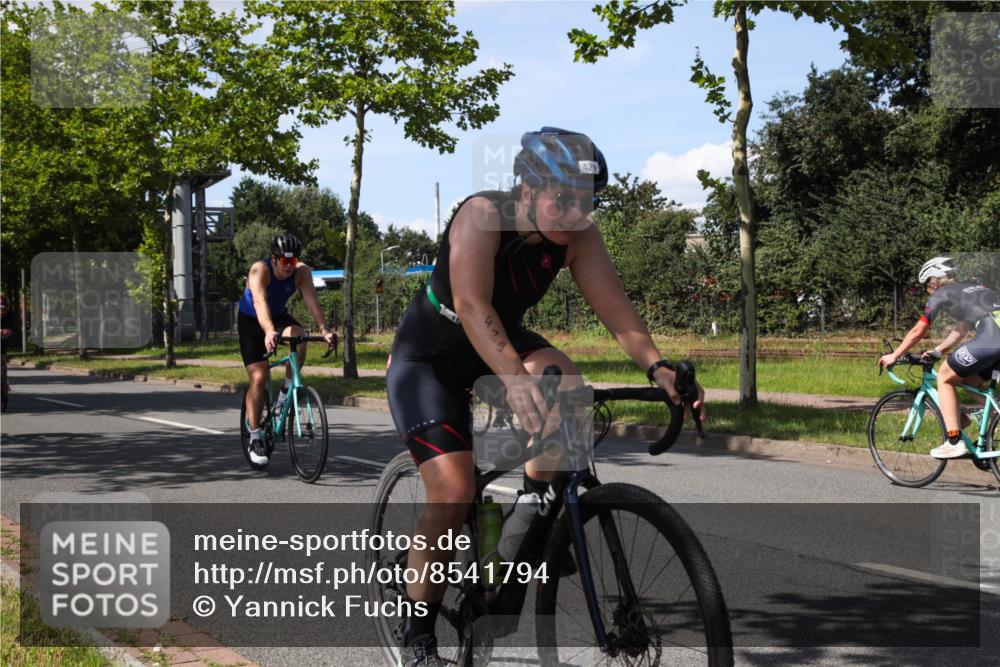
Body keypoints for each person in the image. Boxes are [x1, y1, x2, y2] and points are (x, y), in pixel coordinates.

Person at [385, 127, 706, 666]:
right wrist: (513, 376)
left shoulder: (579, 235)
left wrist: (657, 368)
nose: (576, 212)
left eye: (588, 201)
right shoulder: (483, 214)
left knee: (572, 394)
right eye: (563, 199)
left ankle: (527, 521)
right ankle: (418, 634)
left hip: (500, 339)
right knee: (454, 490)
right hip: (431, 357)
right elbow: (469, 303)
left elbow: (617, 311)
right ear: (526, 189)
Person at [879, 256, 1000, 459]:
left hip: (992, 338)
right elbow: (962, 328)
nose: (927, 291)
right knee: (969, 381)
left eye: (926, 286)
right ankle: (994, 412)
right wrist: (939, 350)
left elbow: (919, 330)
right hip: (995, 337)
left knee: (944, 376)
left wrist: (894, 355)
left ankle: (954, 440)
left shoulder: (941, 292)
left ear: (934, 280)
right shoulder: (973, 287)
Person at [238, 232, 335, 466]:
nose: (290, 266)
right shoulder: (259, 271)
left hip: (278, 316)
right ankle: (254, 435)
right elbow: (260, 302)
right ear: (274, 258)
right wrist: (269, 331)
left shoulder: (302, 272)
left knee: (300, 336)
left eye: (293, 261)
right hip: (252, 321)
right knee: (259, 377)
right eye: (285, 261)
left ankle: (287, 390)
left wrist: (324, 329)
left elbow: (312, 301)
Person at [1, 294, 14, 407]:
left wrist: (7, 331)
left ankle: (5, 383)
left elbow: (10, 328)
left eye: (3, 307)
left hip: (2, 346)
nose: (2, 310)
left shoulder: (9, 316)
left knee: (2, 366)